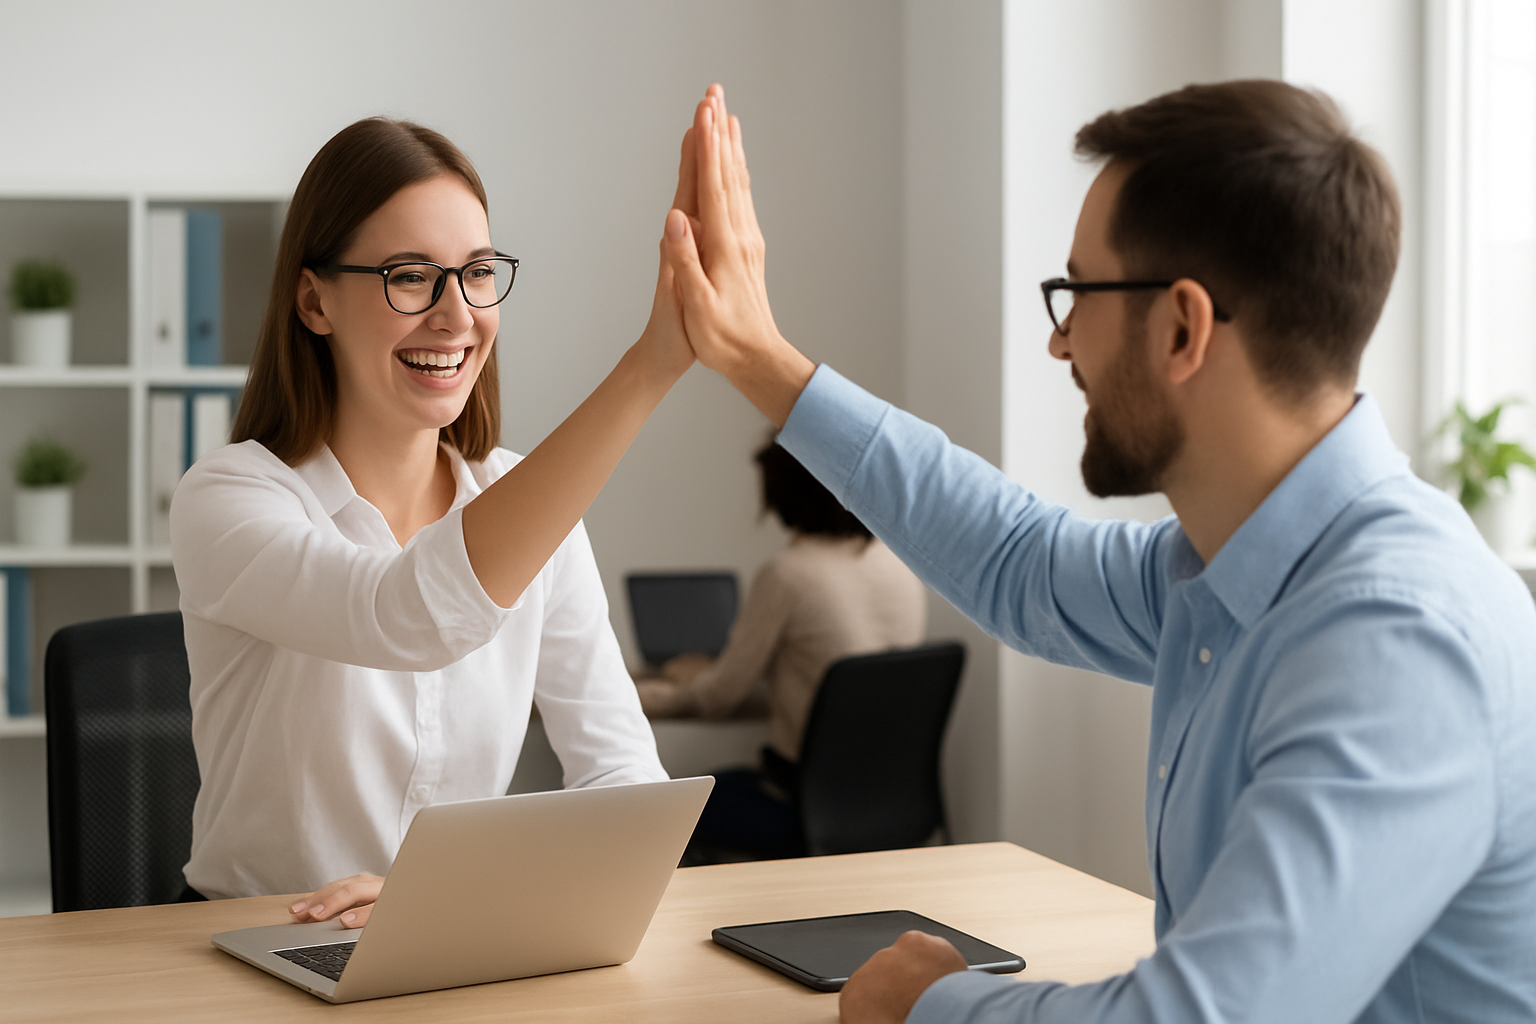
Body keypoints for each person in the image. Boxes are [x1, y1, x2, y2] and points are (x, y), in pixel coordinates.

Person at [657, 83, 1536, 1023]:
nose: (1058, 339)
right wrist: (758, 357)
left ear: (1183, 329)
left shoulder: (1396, 639)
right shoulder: (1234, 571)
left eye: (1077, 293)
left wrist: (932, 1007)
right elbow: (1020, 560)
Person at [170, 116, 699, 925]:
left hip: (454, 942)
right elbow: (406, 615)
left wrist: (464, 900)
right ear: (315, 300)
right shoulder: (228, 498)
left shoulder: (522, 498)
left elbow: (623, 777)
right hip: (254, 939)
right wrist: (648, 369)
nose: (457, 317)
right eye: (410, 277)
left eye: (477, 273)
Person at [636, 435, 926, 858]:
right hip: (896, 804)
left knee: (678, 808)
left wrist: (654, 690)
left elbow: (718, 698)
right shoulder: (899, 565)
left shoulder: (789, 574)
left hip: (804, 806)